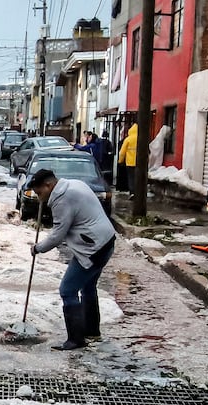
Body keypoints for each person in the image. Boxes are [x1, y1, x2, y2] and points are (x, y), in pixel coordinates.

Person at [28, 169, 117, 350]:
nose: (39, 198)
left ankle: (75, 339)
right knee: (88, 286)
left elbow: (57, 235)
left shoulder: (62, 199)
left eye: (39, 193)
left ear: (49, 185)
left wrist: (38, 248)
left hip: (92, 248)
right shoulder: (73, 184)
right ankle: (91, 331)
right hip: (105, 241)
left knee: (67, 290)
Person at [118, 124, 138, 194]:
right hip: (139, 163)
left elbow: (122, 152)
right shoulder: (141, 138)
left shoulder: (128, 139)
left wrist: (120, 161)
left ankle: (132, 192)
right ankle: (138, 191)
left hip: (130, 162)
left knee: (131, 178)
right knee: (138, 178)